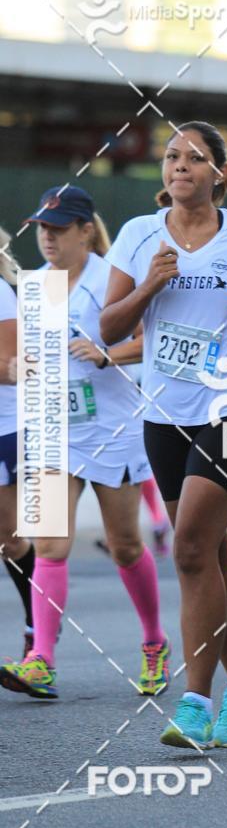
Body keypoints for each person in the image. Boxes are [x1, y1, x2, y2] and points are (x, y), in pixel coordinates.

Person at [100, 121, 227, 750]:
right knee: (210, 557)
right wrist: (153, 285)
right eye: (170, 156)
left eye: (194, 158)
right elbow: (108, 328)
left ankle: (195, 702)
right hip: (164, 414)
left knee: (189, 549)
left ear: (221, 174)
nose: (179, 165)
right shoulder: (138, 236)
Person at [0, 187, 169, 701]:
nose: (46, 238)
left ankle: (154, 643)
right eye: (41, 229)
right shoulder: (35, 287)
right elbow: (20, 360)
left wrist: (106, 353)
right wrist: (16, 371)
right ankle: (42, 661)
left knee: (125, 546)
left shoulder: (109, 278)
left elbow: (151, 338)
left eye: (57, 229)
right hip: (53, 430)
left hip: (112, 428)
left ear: (84, 231)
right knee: (50, 546)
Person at [0, 226, 36, 658]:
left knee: (9, 540)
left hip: (4, 429)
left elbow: (13, 367)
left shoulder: (2, 294)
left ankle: (37, 630)